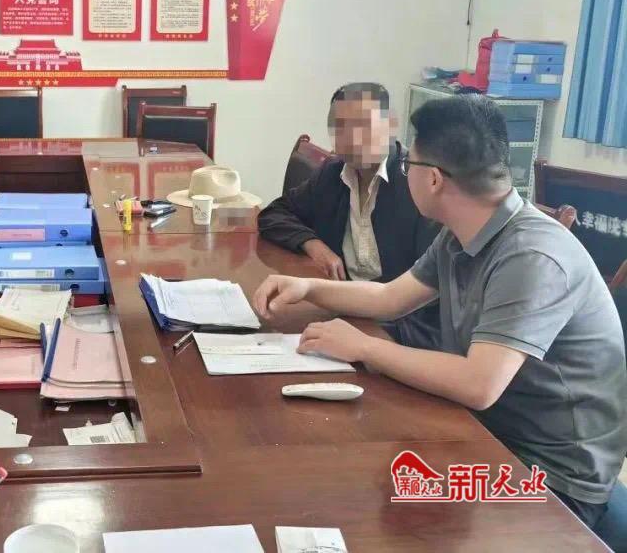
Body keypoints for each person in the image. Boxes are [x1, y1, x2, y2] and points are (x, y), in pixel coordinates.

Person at [254, 95, 627, 550]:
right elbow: (390, 298)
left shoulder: (532, 256)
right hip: (486, 433)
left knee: (362, 514)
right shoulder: (463, 232)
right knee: (335, 483)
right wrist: (307, 288)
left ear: (432, 178)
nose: (402, 170)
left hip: (548, 474)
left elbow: (479, 384)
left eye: (407, 162)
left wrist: (365, 347)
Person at [258, 82, 440, 343]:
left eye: (364, 125)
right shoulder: (332, 175)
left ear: (390, 126)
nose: (353, 138)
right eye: (341, 127)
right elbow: (274, 213)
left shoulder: (416, 181)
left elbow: (433, 290)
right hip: (340, 308)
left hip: (403, 325)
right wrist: (313, 244)